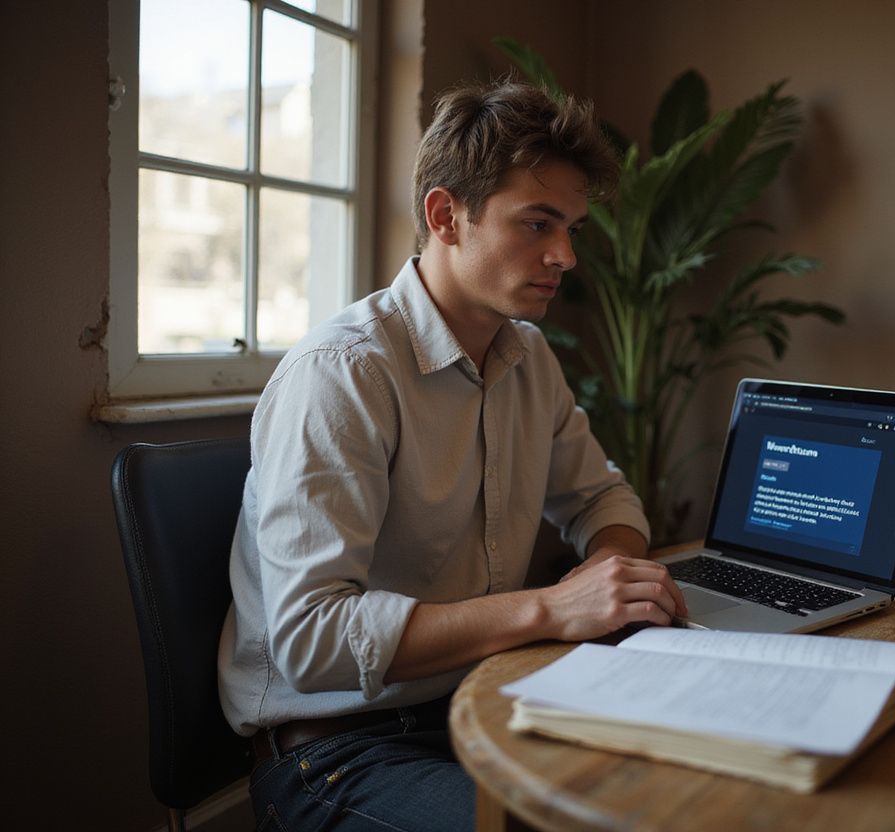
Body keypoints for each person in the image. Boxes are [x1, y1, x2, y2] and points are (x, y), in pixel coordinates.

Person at [217, 79, 688, 832]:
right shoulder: (342, 374)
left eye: (570, 227)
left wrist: (608, 568)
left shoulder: (529, 357)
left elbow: (604, 500)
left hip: (489, 697)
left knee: (676, 792)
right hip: (340, 748)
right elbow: (310, 640)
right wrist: (551, 607)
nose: (564, 255)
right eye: (536, 224)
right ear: (446, 216)